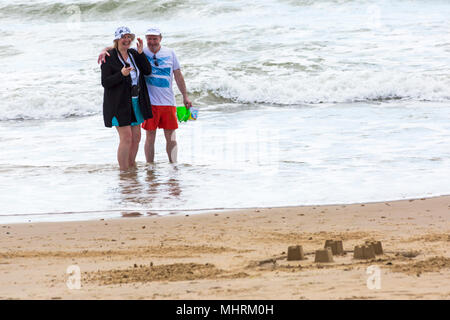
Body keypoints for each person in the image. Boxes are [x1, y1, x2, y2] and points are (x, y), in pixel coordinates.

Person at [99, 27, 192, 163]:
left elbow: (172, 74)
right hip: (144, 103)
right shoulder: (124, 54)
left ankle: (171, 166)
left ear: (161, 38)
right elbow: (107, 78)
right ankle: (142, 170)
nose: (152, 41)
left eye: (155, 38)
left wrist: (185, 96)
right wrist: (105, 51)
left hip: (157, 102)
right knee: (142, 137)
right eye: (149, 38)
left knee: (155, 137)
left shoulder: (141, 53)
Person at [101, 26, 153, 171]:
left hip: (136, 100)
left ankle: (131, 168)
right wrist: (121, 74)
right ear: (117, 39)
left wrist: (141, 53)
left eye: (129, 37)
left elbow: (147, 71)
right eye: (123, 37)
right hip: (118, 103)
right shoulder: (109, 56)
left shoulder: (133, 53)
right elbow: (105, 82)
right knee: (126, 137)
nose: (126, 40)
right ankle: (124, 171)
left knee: (136, 137)